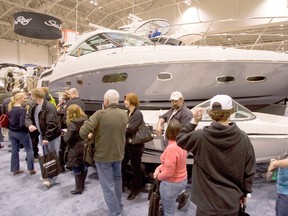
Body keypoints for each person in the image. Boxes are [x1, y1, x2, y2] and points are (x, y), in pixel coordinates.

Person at [176, 94, 256, 216]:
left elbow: (180, 139)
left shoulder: (200, 137)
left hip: (206, 205)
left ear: (210, 113)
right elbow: (249, 171)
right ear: (231, 111)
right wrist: (246, 193)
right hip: (231, 204)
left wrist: (194, 121)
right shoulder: (243, 138)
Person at [80, 89, 127, 216]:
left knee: (108, 187)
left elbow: (83, 131)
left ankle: (115, 213)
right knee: (117, 181)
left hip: (103, 156)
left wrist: (90, 136)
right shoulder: (124, 114)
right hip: (118, 154)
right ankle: (119, 206)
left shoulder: (100, 114)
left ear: (105, 101)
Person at [155, 91, 192, 208]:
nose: (174, 103)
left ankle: (177, 194)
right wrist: (159, 124)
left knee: (173, 172)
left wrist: (159, 176)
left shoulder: (186, 114)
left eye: (176, 100)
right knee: (174, 170)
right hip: (173, 147)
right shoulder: (174, 110)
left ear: (182, 100)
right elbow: (163, 116)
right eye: (172, 101)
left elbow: (186, 133)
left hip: (177, 148)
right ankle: (180, 194)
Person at [26, 88, 62, 188]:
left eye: (31, 95)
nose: (30, 97)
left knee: (52, 156)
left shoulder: (49, 107)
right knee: (46, 155)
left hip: (52, 136)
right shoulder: (34, 106)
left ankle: (51, 178)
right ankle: (48, 173)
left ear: (35, 96)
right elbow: (28, 117)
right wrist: (29, 125)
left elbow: (52, 125)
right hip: (42, 135)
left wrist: (47, 137)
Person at [153, 119, 188, 216]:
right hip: (181, 180)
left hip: (171, 184)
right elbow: (173, 164)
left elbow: (169, 172)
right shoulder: (182, 144)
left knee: (168, 211)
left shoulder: (171, 148)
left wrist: (158, 176)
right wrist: (159, 168)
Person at [121, 92, 146, 200]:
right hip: (127, 145)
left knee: (135, 168)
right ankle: (123, 184)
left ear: (132, 101)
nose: (124, 102)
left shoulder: (137, 114)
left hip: (135, 146)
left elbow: (130, 130)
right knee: (122, 165)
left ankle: (135, 189)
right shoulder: (127, 113)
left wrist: (124, 127)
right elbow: (126, 128)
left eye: (126, 100)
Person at [8, 92, 36, 175]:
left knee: (14, 151)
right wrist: (29, 127)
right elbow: (21, 124)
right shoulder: (22, 110)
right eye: (24, 98)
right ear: (19, 99)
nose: (26, 100)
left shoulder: (11, 108)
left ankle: (15, 169)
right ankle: (31, 169)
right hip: (21, 133)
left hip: (12, 132)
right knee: (29, 149)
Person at [63, 104, 88, 195]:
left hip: (75, 148)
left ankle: (78, 188)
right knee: (84, 165)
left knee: (76, 167)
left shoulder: (72, 125)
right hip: (85, 146)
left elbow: (67, 139)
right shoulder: (86, 120)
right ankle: (83, 184)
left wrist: (64, 134)